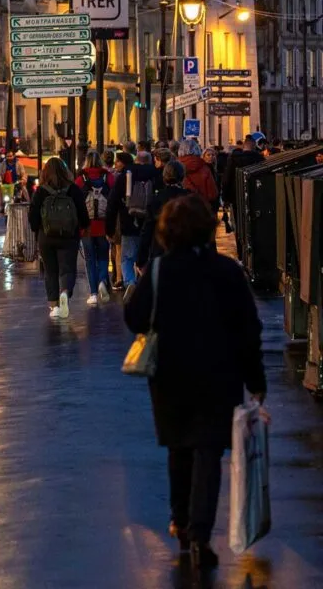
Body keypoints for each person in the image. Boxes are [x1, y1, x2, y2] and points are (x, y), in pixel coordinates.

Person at [124, 195, 265, 571]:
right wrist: (256, 379)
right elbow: (248, 329)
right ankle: (201, 533)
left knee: (178, 447)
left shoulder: (157, 271)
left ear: (166, 233)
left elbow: (135, 319)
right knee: (207, 450)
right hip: (219, 375)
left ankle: (180, 520)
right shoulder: (227, 271)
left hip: (169, 375)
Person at [28, 157, 89, 319]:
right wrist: (83, 226)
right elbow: (83, 212)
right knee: (67, 268)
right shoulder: (73, 189)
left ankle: (54, 306)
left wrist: (37, 230)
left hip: (46, 236)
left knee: (50, 270)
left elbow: (33, 215)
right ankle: (65, 292)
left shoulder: (41, 191)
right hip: (69, 236)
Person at [105, 150, 159, 296]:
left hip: (128, 221)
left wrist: (109, 229)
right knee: (147, 255)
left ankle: (130, 282)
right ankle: (145, 284)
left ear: (136, 160)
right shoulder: (155, 173)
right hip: (150, 222)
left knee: (127, 257)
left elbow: (112, 203)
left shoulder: (125, 175)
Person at [75, 150, 113, 306]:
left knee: (90, 259)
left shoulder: (80, 179)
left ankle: (93, 294)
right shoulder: (108, 177)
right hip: (104, 224)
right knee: (103, 256)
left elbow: (76, 202)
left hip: (86, 227)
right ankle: (103, 280)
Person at [137, 160, 190, 270]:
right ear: (182, 176)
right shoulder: (190, 198)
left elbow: (147, 229)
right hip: (185, 252)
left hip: (160, 251)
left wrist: (141, 259)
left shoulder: (157, 198)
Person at [221, 136, 262, 208]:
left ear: (243, 146)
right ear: (254, 146)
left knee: (238, 216)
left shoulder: (234, 158)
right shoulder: (259, 159)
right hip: (255, 194)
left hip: (236, 194)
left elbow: (227, 179)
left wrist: (225, 198)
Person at [177, 139, 218, 207]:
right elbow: (212, 194)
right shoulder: (204, 168)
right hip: (201, 208)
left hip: (182, 207)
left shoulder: (176, 167)